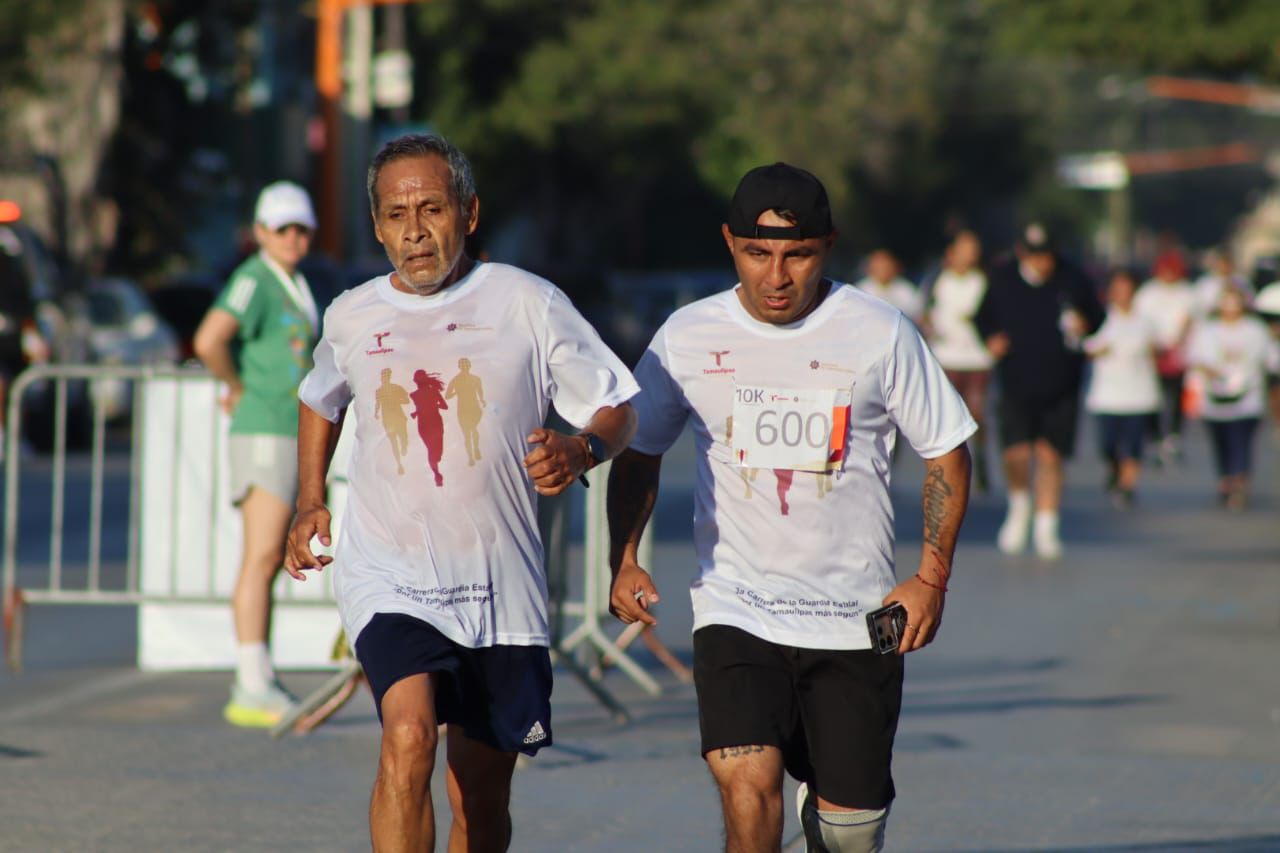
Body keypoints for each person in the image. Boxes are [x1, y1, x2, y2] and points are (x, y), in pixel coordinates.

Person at [607, 162, 976, 853]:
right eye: (757, 253)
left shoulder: (879, 331)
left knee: (849, 834)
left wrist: (931, 577)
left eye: (798, 255)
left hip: (857, 617)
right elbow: (638, 449)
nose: (776, 276)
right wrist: (622, 558)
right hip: (736, 608)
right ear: (730, 243)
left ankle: (828, 816)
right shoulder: (687, 335)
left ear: (827, 246)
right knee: (747, 791)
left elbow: (947, 451)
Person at [284, 133, 638, 852]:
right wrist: (309, 499)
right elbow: (321, 396)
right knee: (408, 735)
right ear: (377, 225)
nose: (414, 231)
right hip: (390, 573)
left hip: (498, 588)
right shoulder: (352, 314)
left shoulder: (528, 302)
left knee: (479, 798)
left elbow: (618, 406)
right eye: (396, 214)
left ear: (468, 214)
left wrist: (581, 448)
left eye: (432, 209)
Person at [193, 181, 320, 727]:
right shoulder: (254, 278)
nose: (293, 237)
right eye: (282, 227)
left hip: (288, 430)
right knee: (262, 555)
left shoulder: (293, 281)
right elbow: (209, 339)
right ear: (261, 232)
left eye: (302, 228)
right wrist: (237, 385)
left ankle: (260, 674)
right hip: (264, 429)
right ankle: (249, 681)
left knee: (270, 558)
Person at [974, 223, 1104, 560]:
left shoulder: (1073, 277)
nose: (1041, 262)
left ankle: (1048, 524)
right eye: (1034, 255)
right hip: (1016, 381)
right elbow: (982, 318)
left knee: (1050, 455)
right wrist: (991, 340)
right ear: (1022, 253)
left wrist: (1086, 325)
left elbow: (1097, 316)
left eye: (1046, 255)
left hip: (1062, 382)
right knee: (1016, 454)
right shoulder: (1002, 278)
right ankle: (1019, 507)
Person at [1185, 285, 1280, 510]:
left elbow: (1271, 361)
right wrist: (1213, 373)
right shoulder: (1208, 330)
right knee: (1222, 443)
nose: (1230, 307)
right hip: (1215, 400)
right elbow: (1197, 360)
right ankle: (1225, 480)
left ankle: (1240, 484)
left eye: (1235, 302)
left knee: (1241, 443)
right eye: (1226, 301)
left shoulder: (1256, 330)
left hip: (1248, 400)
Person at [922, 229, 994, 491]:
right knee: (946, 417)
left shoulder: (983, 281)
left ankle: (980, 460)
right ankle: (945, 468)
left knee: (977, 412)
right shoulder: (939, 279)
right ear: (952, 252)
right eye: (965, 248)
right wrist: (930, 327)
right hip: (946, 357)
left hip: (977, 358)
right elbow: (925, 311)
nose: (970, 254)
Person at [1081, 270, 1159, 509]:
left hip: (1138, 395)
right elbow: (1087, 347)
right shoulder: (1101, 319)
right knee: (1108, 445)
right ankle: (1114, 468)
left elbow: (1158, 349)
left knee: (1134, 445)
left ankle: (1127, 485)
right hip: (1107, 395)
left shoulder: (1145, 322)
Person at [1133, 250, 1197, 464]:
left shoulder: (1186, 292)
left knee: (1177, 397)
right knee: (1152, 397)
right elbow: (1141, 319)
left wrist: (1178, 341)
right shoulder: (1148, 293)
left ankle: (1174, 435)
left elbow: (1191, 318)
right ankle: (1155, 437)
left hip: (1179, 355)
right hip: (1154, 353)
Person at [855, 248, 923, 323]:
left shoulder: (906, 289)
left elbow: (917, 313)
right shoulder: (860, 289)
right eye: (879, 266)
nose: (883, 270)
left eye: (886, 266)